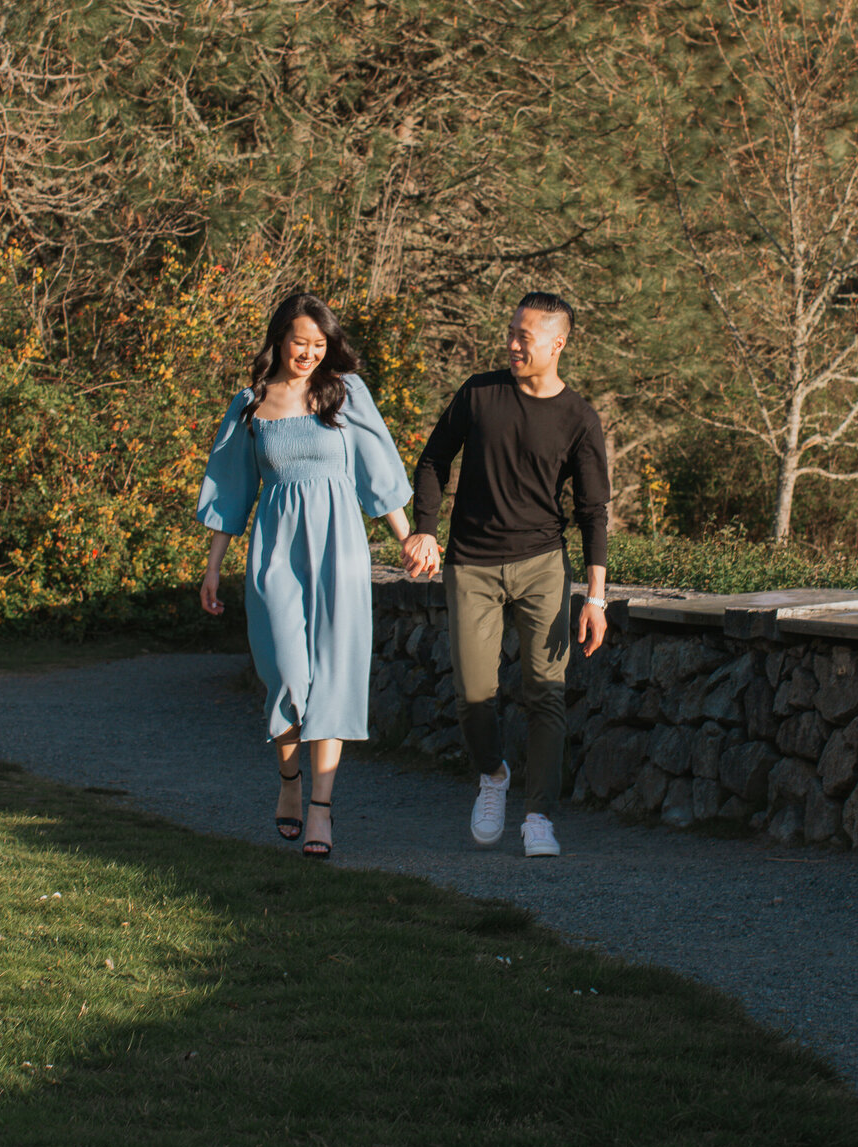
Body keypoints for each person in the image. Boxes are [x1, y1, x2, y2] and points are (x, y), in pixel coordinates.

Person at [197, 292, 431, 858]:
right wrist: (212, 568)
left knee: (334, 672)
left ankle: (321, 811)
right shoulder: (250, 404)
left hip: (340, 550)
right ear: (279, 339)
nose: (308, 353)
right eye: (300, 341)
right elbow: (231, 491)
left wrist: (408, 538)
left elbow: (379, 472)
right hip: (276, 553)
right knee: (285, 674)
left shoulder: (345, 394)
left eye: (319, 344)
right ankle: (289, 784)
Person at [402, 292, 609, 857]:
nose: (512, 344)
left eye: (525, 337)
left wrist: (596, 598)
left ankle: (539, 815)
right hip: (471, 564)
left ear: (557, 344)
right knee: (475, 694)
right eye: (511, 332)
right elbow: (432, 461)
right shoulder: (479, 393)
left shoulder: (578, 418)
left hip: (543, 564)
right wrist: (425, 527)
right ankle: (493, 776)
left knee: (546, 693)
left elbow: (593, 511)